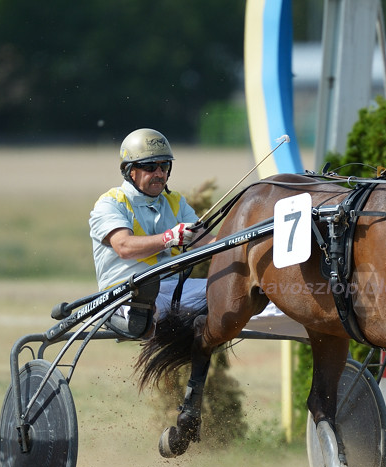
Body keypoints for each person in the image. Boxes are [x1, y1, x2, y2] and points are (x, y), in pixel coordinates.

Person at [89, 128, 306, 337]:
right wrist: (169, 238)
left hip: (175, 291)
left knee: (256, 295)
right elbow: (123, 247)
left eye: (164, 166)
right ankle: (145, 321)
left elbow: (208, 242)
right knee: (146, 308)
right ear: (130, 171)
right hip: (126, 294)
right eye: (150, 167)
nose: (159, 173)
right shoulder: (111, 203)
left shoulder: (175, 202)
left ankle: (320, 325)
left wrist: (256, 246)